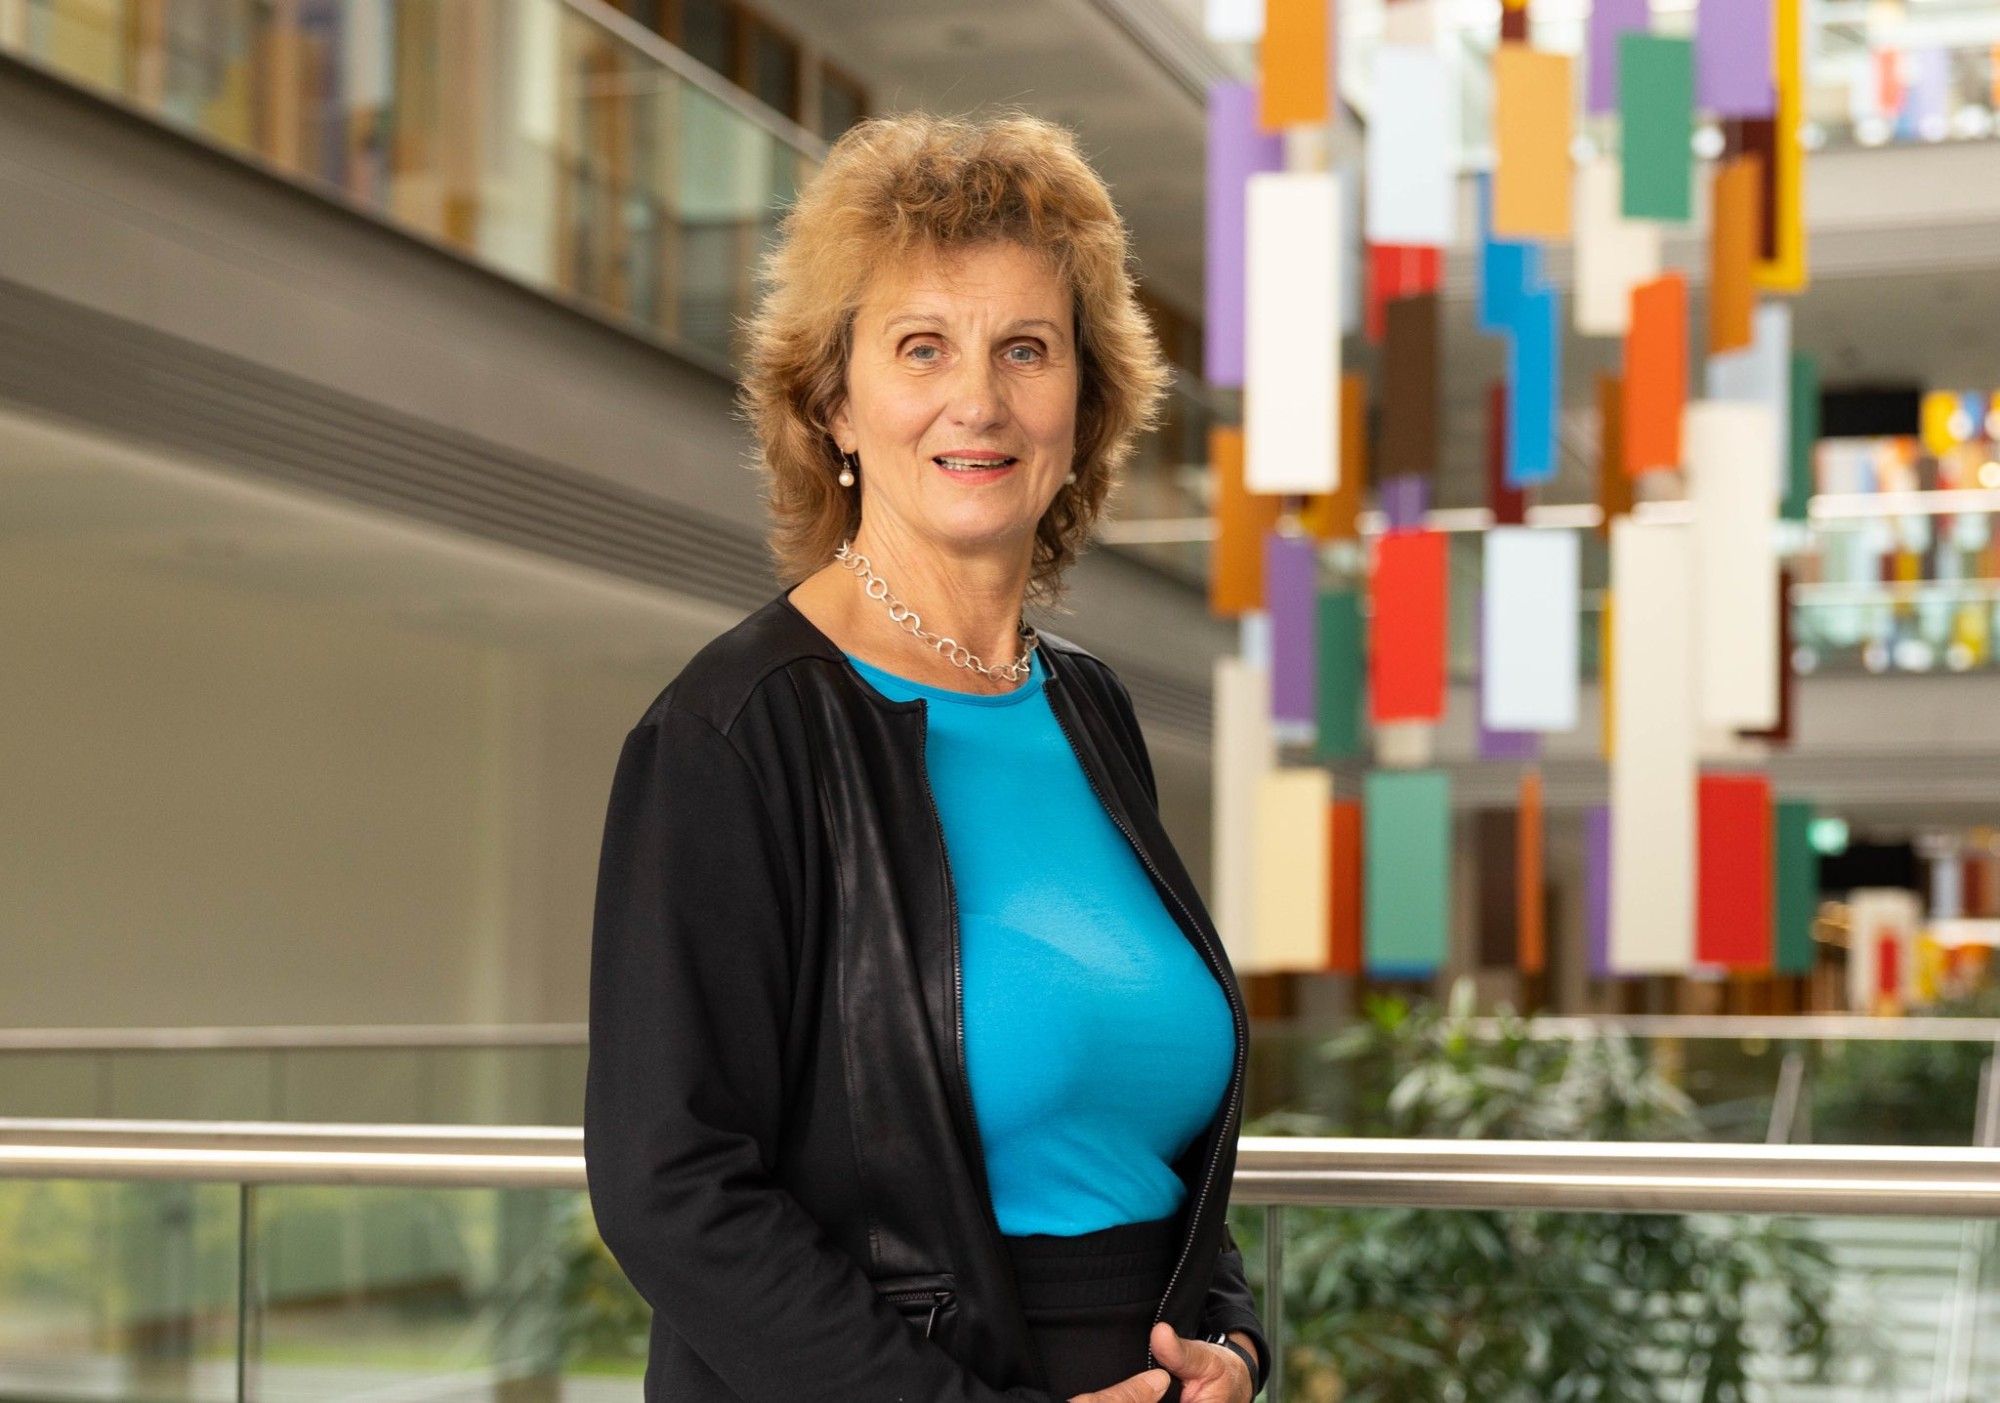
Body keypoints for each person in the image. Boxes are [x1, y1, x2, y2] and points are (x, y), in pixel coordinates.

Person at [583, 110, 1268, 1403]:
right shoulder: (737, 730)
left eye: (1028, 348)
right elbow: (669, 1189)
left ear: (1085, 401)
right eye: (922, 348)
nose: (981, 399)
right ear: (834, 401)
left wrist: (1229, 1344)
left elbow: (1147, 1152)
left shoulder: (1091, 713)